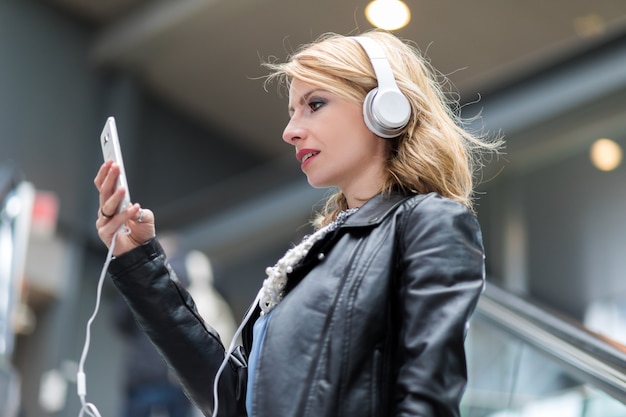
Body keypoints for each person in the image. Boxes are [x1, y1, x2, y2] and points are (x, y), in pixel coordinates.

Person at [94, 30, 501, 417]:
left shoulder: (430, 223)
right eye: (292, 112)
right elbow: (232, 398)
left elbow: (426, 403)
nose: (290, 131)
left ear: (385, 107)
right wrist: (140, 264)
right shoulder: (316, 254)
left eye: (315, 104)